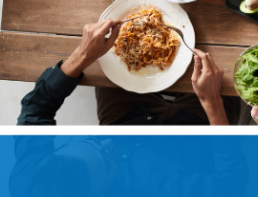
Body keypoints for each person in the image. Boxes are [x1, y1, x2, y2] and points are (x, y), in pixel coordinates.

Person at [17, 19, 239, 125]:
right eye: (102, 159)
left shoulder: (32, 173)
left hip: (123, 123)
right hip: (193, 142)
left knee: (110, 67)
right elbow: (230, 183)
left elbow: (35, 110)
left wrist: (82, 56)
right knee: (228, 67)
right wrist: (212, 102)